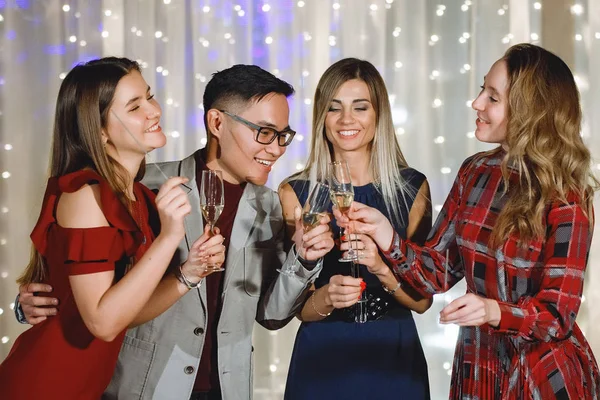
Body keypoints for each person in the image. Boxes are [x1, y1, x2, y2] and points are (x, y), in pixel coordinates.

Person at [17, 64, 334, 400]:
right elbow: (89, 291)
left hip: (227, 389)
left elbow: (271, 316)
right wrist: (27, 305)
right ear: (216, 123)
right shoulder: (142, 188)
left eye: (283, 135)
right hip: (142, 387)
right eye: (265, 132)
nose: (277, 148)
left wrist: (302, 259)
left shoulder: (270, 207)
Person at [337, 44, 600, 399]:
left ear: (530, 111)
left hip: (540, 373)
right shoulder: (475, 172)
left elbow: (558, 317)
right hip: (479, 366)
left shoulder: (566, 195)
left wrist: (493, 310)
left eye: (492, 97)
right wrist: (385, 234)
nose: (477, 104)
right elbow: (436, 273)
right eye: (482, 91)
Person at [0, 57, 225, 399]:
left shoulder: (136, 196)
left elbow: (122, 313)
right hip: (44, 384)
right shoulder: (84, 195)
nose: (154, 110)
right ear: (100, 130)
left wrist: (189, 273)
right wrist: (169, 236)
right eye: (135, 106)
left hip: (85, 388)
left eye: (149, 97)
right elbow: (102, 324)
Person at [279, 58, 433, 399]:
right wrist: (327, 296)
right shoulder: (295, 193)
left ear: (379, 115)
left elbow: (422, 301)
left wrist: (380, 268)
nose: (347, 120)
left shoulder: (412, 188)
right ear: (322, 119)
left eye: (360, 107)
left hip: (393, 358)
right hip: (322, 360)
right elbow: (290, 306)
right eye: (335, 109)